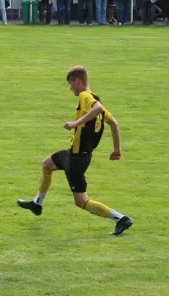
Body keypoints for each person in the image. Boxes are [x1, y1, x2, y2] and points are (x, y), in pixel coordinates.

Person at [17, 66, 133, 236]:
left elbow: (98, 109)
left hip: (77, 160)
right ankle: (37, 203)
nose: (70, 87)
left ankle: (121, 219)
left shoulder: (85, 96)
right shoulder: (92, 97)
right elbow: (114, 124)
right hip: (73, 154)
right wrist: (117, 150)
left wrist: (75, 124)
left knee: (81, 201)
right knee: (47, 165)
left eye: (71, 83)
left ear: (78, 81)